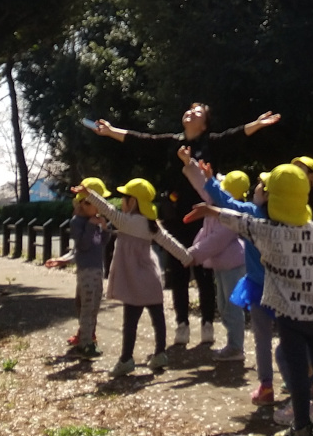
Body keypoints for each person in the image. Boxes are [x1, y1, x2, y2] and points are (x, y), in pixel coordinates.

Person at [93, 102, 281, 344]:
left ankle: (207, 323)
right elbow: (142, 140)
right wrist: (110, 131)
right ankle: (182, 323)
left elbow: (234, 136)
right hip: (176, 216)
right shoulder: (173, 142)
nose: (190, 113)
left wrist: (256, 125)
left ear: (204, 124)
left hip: (205, 216)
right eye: (189, 110)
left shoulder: (210, 142)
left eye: (198, 112)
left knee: (204, 272)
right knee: (178, 269)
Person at [193, 164, 313, 436]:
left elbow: (238, 219)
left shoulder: (267, 231)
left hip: (289, 316)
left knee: (298, 374)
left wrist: (210, 209)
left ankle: (301, 425)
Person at [183, 154, 276, 401]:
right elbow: (219, 200)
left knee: (261, 334)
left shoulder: (248, 215)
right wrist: (205, 177)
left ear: (266, 194)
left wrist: (191, 254)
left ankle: (262, 376)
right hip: (276, 284)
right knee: (285, 336)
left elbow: (221, 204)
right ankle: (293, 380)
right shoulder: (284, 218)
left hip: (256, 282)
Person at [77, 177, 192, 376]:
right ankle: (160, 353)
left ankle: (126, 359)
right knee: (158, 318)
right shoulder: (151, 224)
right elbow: (170, 243)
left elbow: (106, 209)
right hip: (151, 277)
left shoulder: (127, 221)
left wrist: (89, 194)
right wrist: (187, 257)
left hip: (133, 281)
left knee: (130, 322)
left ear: (133, 201)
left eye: (124, 198)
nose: (122, 202)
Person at [183, 162, 250, 362]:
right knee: (223, 305)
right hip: (222, 265)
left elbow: (215, 241)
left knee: (232, 307)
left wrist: (193, 254)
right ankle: (233, 344)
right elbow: (202, 185)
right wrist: (190, 164)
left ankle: (236, 346)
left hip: (233, 265)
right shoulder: (218, 205)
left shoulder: (232, 216)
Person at [46, 177, 111, 357]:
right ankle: (85, 344)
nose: (101, 209)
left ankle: (88, 336)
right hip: (87, 270)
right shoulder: (78, 222)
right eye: (98, 204)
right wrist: (91, 227)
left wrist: (105, 228)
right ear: (85, 204)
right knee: (87, 306)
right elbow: (82, 246)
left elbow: (103, 243)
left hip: (98, 269)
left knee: (93, 305)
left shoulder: (96, 220)